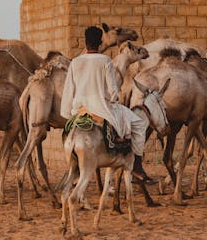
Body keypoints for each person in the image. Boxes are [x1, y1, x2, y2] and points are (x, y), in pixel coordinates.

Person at [60, 25, 154, 183]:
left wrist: (69, 114)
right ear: (100, 42)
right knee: (137, 124)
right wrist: (115, 102)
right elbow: (112, 91)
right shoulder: (105, 61)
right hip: (101, 108)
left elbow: (68, 91)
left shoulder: (75, 62)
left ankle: (75, 169)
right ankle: (136, 166)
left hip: (79, 110)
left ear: (86, 42)